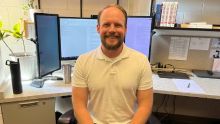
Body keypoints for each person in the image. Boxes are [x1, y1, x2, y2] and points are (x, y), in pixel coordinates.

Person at [72, 4, 153, 124]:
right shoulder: (83, 62)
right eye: (106, 24)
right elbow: (79, 106)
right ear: (98, 28)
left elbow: (145, 106)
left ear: (125, 29)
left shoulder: (141, 61)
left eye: (118, 25)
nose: (112, 30)